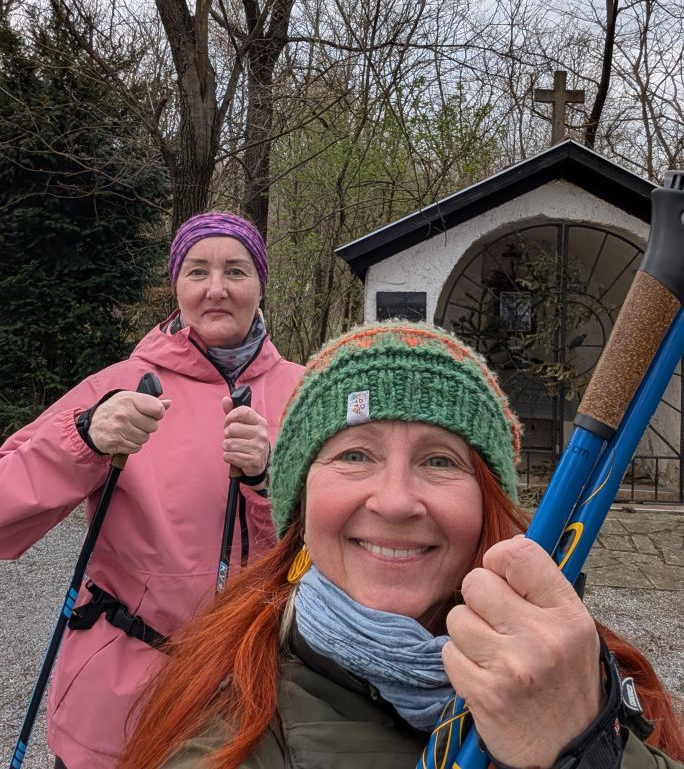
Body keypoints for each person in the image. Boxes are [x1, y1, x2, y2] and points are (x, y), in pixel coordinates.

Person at [120, 321, 684, 769]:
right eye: (354, 455)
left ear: (488, 500)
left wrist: (586, 744)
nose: (394, 502)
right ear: (301, 503)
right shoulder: (227, 726)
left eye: (439, 460)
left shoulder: (594, 673)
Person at [0, 212, 305, 769]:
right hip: (119, 703)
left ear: (261, 285)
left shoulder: (307, 393)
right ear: (177, 288)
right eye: (197, 271)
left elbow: (337, 555)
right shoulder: (117, 386)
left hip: (262, 695)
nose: (216, 288)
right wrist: (84, 439)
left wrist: (268, 480)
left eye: (236, 270)